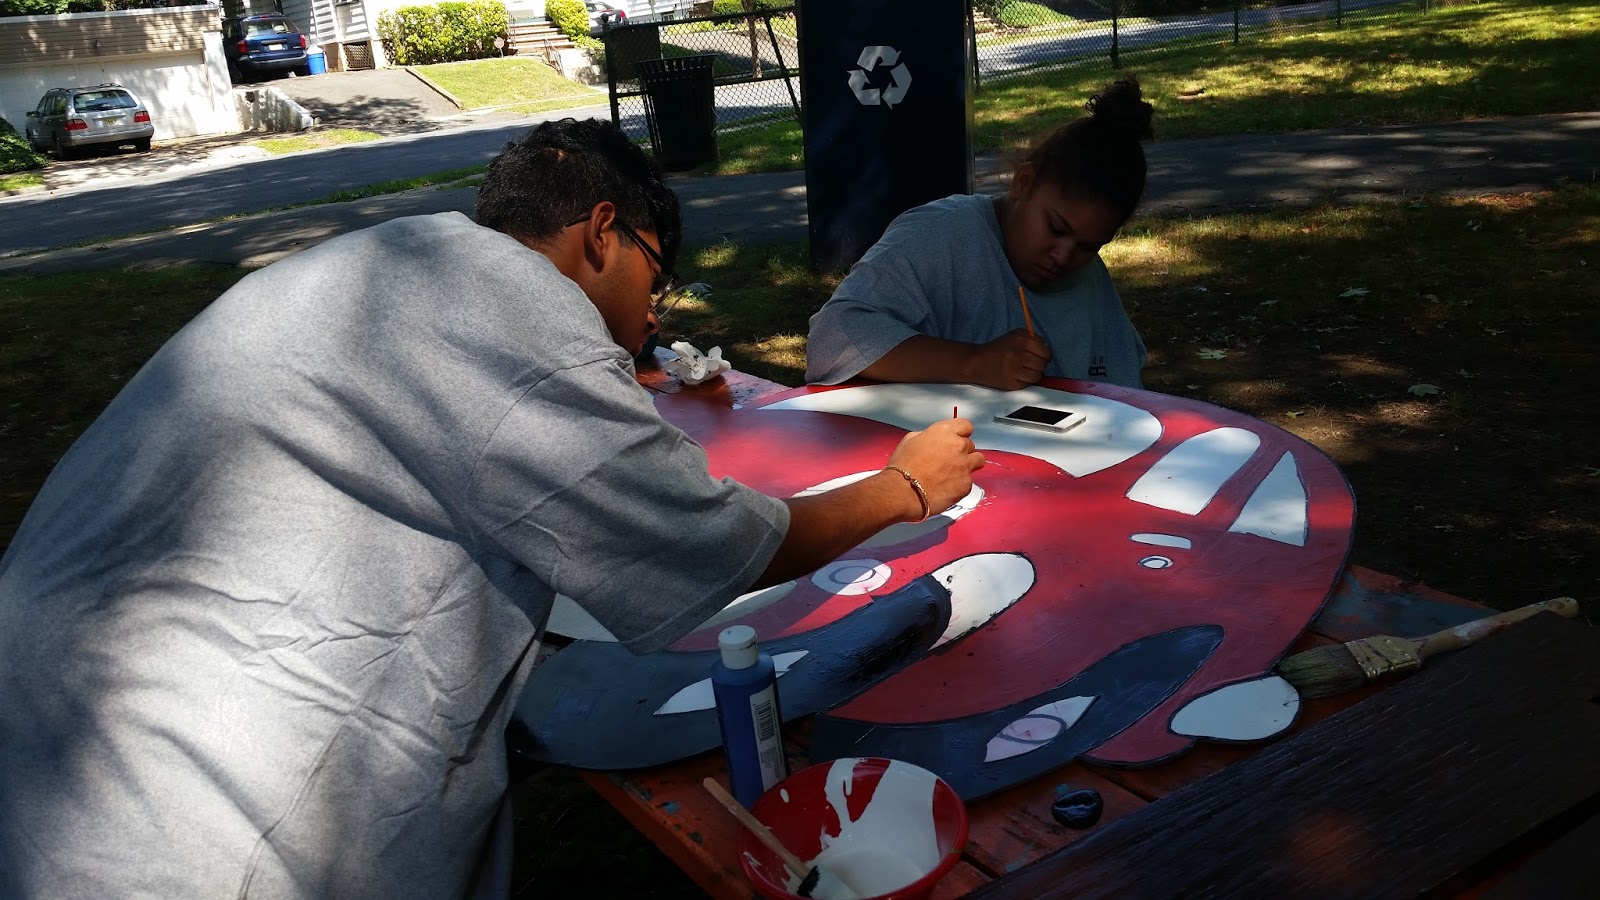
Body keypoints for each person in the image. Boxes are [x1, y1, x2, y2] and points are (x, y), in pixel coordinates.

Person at [0, 118, 983, 899]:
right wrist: (905, 487)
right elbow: (712, 545)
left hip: (56, 728)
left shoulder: (400, 265)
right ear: (602, 231)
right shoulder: (516, 321)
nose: (653, 316)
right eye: (656, 276)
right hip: (194, 806)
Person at [806, 75, 1156, 392]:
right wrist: (974, 363)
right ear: (1024, 183)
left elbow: (1123, 394)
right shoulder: (940, 235)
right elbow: (833, 338)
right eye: (1056, 228)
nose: (1064, 256)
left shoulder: (1086, 275)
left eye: (1089, 246)